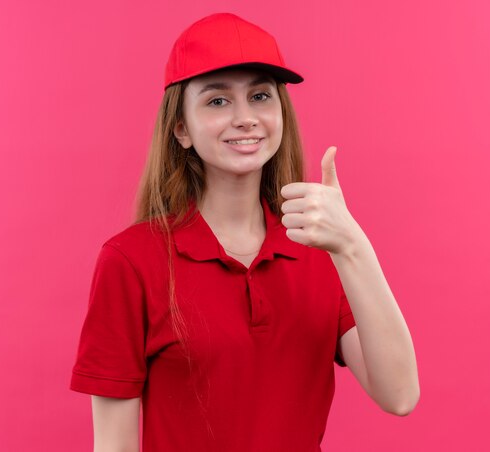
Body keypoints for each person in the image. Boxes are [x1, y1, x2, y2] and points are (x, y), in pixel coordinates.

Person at [70, 12, 419, 452]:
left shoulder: (323, 252)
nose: (245, 118)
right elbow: (114, 446)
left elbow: (400, 395)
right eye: (217, 101)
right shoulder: (130, 260)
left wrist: (353, 245)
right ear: (181, 129)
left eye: (260, 96)